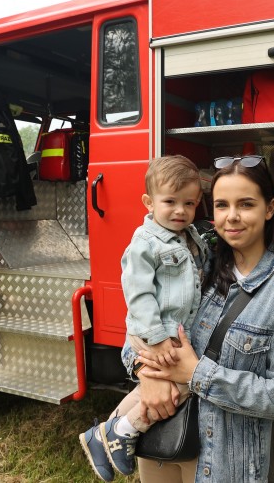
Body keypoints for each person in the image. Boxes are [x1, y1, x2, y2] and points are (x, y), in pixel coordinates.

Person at [136, 154, 274, 482]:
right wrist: (144, 374)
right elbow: (137, 320)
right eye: (221, 205)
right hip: (163, 444)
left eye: (246, 204)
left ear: (270, 209)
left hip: (225, 464)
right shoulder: (195, 265)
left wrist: (197, 374)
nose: (231, 217)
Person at [79, 155, 208, 482]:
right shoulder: (144, 243)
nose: (180, 210)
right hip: (153, 336)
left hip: (174, 336)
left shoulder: (189, 236)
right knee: (183, 384)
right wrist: (157, 337)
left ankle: (104, 436)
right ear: (149, 202)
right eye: (170, 202)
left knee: (175, 385)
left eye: (189, 203)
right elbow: (138, 293)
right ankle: (124, 429)